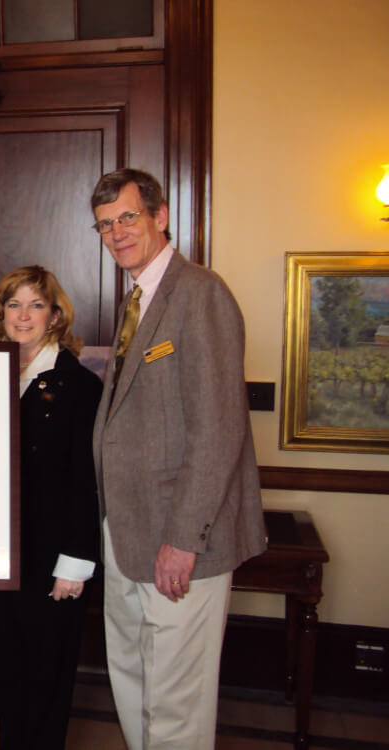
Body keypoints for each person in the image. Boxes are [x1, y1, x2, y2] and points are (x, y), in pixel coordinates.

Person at [89, 168, 267, 749]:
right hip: (127, 534)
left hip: (179, 541)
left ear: (161, 216)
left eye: (128, 218)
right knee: (136, 684)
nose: (117, 233)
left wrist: (184, 539)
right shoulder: (139, 299)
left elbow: (219, 430)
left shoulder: (201, 294)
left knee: (175, 708)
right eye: (105, 225)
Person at [0, 266, 102, 750]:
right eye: (13, 304)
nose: (23, 315)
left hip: (53, 559)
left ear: (54, 316)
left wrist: (75, 561)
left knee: (45, 678)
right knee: (0, 672)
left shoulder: (79, 386)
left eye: (35, 305)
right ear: (0, 313)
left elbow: (87, 481)